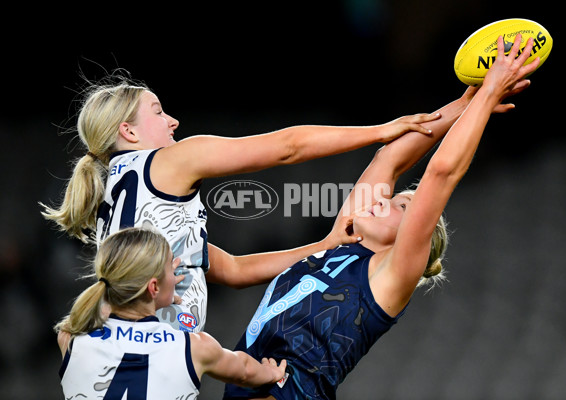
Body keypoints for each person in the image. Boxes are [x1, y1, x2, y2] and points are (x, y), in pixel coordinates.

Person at [223, 34, 539, 400]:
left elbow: (441, 174)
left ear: (411, 235)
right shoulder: (342, 244)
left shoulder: (391, 273)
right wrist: (462, 106)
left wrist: (489, 97)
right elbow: (388, 161)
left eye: (402, 206)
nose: (385, 199)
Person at [40, 70, 438, 333]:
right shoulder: (169, 161)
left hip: (119, 350)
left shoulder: (119, 194)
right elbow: (288, 147)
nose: (172, 121)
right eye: (159, 112)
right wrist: (380, 130)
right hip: (154, 360)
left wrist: (322, 247)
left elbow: (231, 268)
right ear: (127, 131)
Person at [56, 226, 287, 400]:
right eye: (170, 265)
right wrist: (270, 372)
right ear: (153, 287)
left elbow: (108, 311)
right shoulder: (194, 347)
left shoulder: (71, 338)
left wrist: (155, 293)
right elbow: (245, 370)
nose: (176, 269)